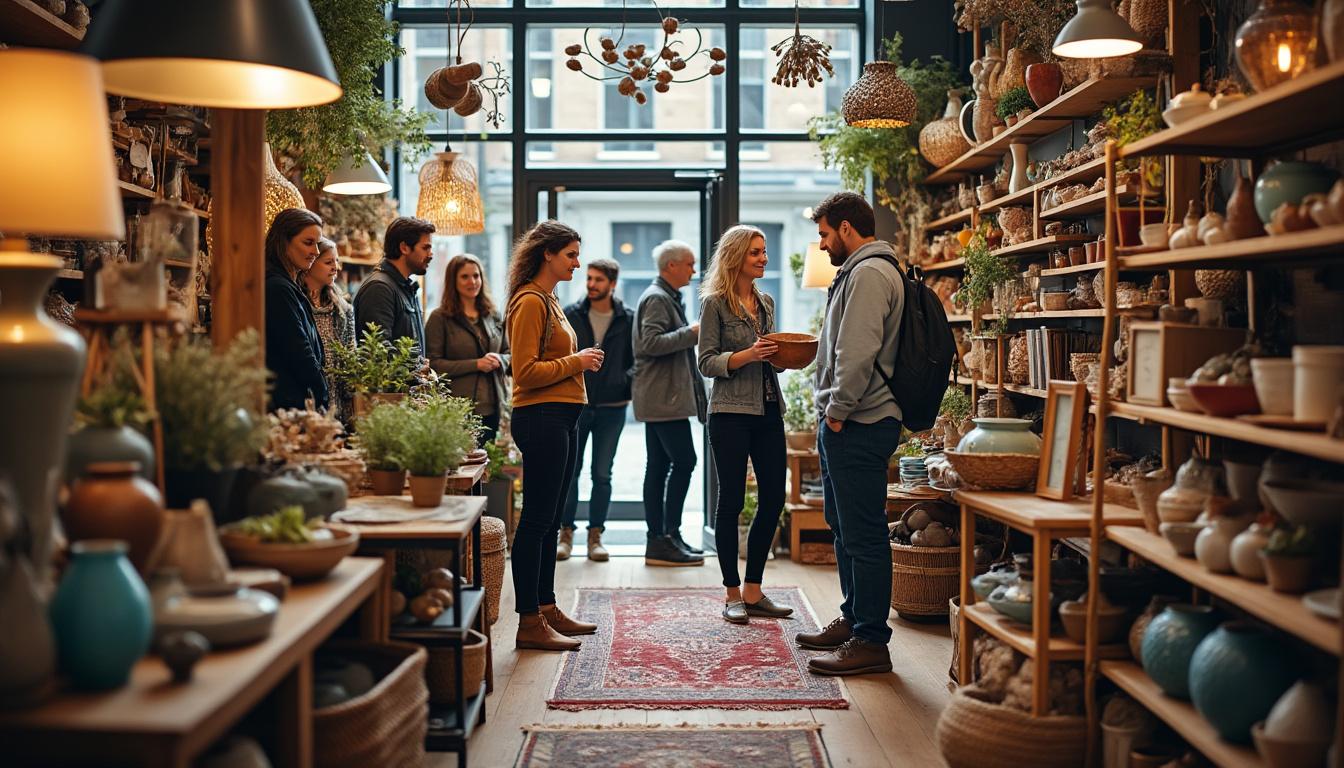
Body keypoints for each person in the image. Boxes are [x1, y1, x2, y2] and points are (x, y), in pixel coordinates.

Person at [795, 192, 904, 677]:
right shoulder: (861, 272)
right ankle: (854, 619)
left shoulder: (868, 273)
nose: (821, 245)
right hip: (850, 420)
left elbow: (857, 353)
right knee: (844, 528)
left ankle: (871, 641)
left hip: (859, 422)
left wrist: (836, 412)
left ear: (844, 228)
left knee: (863, 534)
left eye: (823, 234)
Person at [504, 220, 605, 652]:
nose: (577, 263)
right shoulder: (529, 301)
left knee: (548, 519)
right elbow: (523, 372)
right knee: (538, 521)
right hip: (541, 416)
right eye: (570, 255)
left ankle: (546, 607)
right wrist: (577, 362)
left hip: (561, 416)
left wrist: (574, 364)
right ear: (547, 253)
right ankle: (529, 622)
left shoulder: (549, 300)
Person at [697, 225, 794, 625]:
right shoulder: (715, 304)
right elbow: (707, 362)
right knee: (731, 502)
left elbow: (770, 355)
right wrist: (747, 355)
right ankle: (732, 593)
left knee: (774, 497)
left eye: (765, 251)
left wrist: (781, 357)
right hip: (730, 413)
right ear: (737, 256)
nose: (764, 258)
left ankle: (754, 590)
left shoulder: (766, 302)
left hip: (769, 410)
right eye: (756, 252)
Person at [633, 240, 707, 567]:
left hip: (660, 397)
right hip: (663, 399)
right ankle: (665, 536)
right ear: (670, 266)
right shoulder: (657, 298)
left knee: (660, 466)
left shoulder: (664, 296)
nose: (694, 269)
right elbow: (649, 343)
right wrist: (693, 332)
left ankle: (663, 538)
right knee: (684, 461)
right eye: (689, 264)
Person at [558, 258, 634, 563]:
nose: (591, 284)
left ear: (612, 284)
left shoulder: (627, 318)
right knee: (570, 472)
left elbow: (637, 358)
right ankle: (566, 534)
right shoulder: (571, 314)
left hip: (613, 407)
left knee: (602, 474)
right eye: (589, 278)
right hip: (577, 403)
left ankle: (596, 536)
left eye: (598, 280)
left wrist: (623, 381)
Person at [425, 253, 510, 444]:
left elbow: (510, 354)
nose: (472, 281)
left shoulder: (493, 315)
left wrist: (499, 360)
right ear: (453, 281)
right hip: (457, 408)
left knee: (486, 465)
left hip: (494, 406)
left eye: (476, 275)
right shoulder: (440, 318)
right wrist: (476, 364)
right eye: (465, 276)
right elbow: (433, 365)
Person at [264, 208, 328, 412]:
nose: (316, 252)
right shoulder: (277, 287)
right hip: (289, 407)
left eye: (317, 244)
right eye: (308, 243)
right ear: (284, 242)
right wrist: (322, 395)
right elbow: (299, 352)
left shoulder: (289, 286)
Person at [353, 216, 434, 354]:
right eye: (425, 248)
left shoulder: (405, 287)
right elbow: (378, 352)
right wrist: (416, 367)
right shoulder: (379, 289)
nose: (431, 254)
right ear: (404, 248)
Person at [302, 237, 355, 421]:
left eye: (337, 261)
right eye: (328, 262)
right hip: (303, 404)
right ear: (310, 263)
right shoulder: (298, 306)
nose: (336, 267)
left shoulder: (343, 309)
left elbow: (351, 357)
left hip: (338, 406)